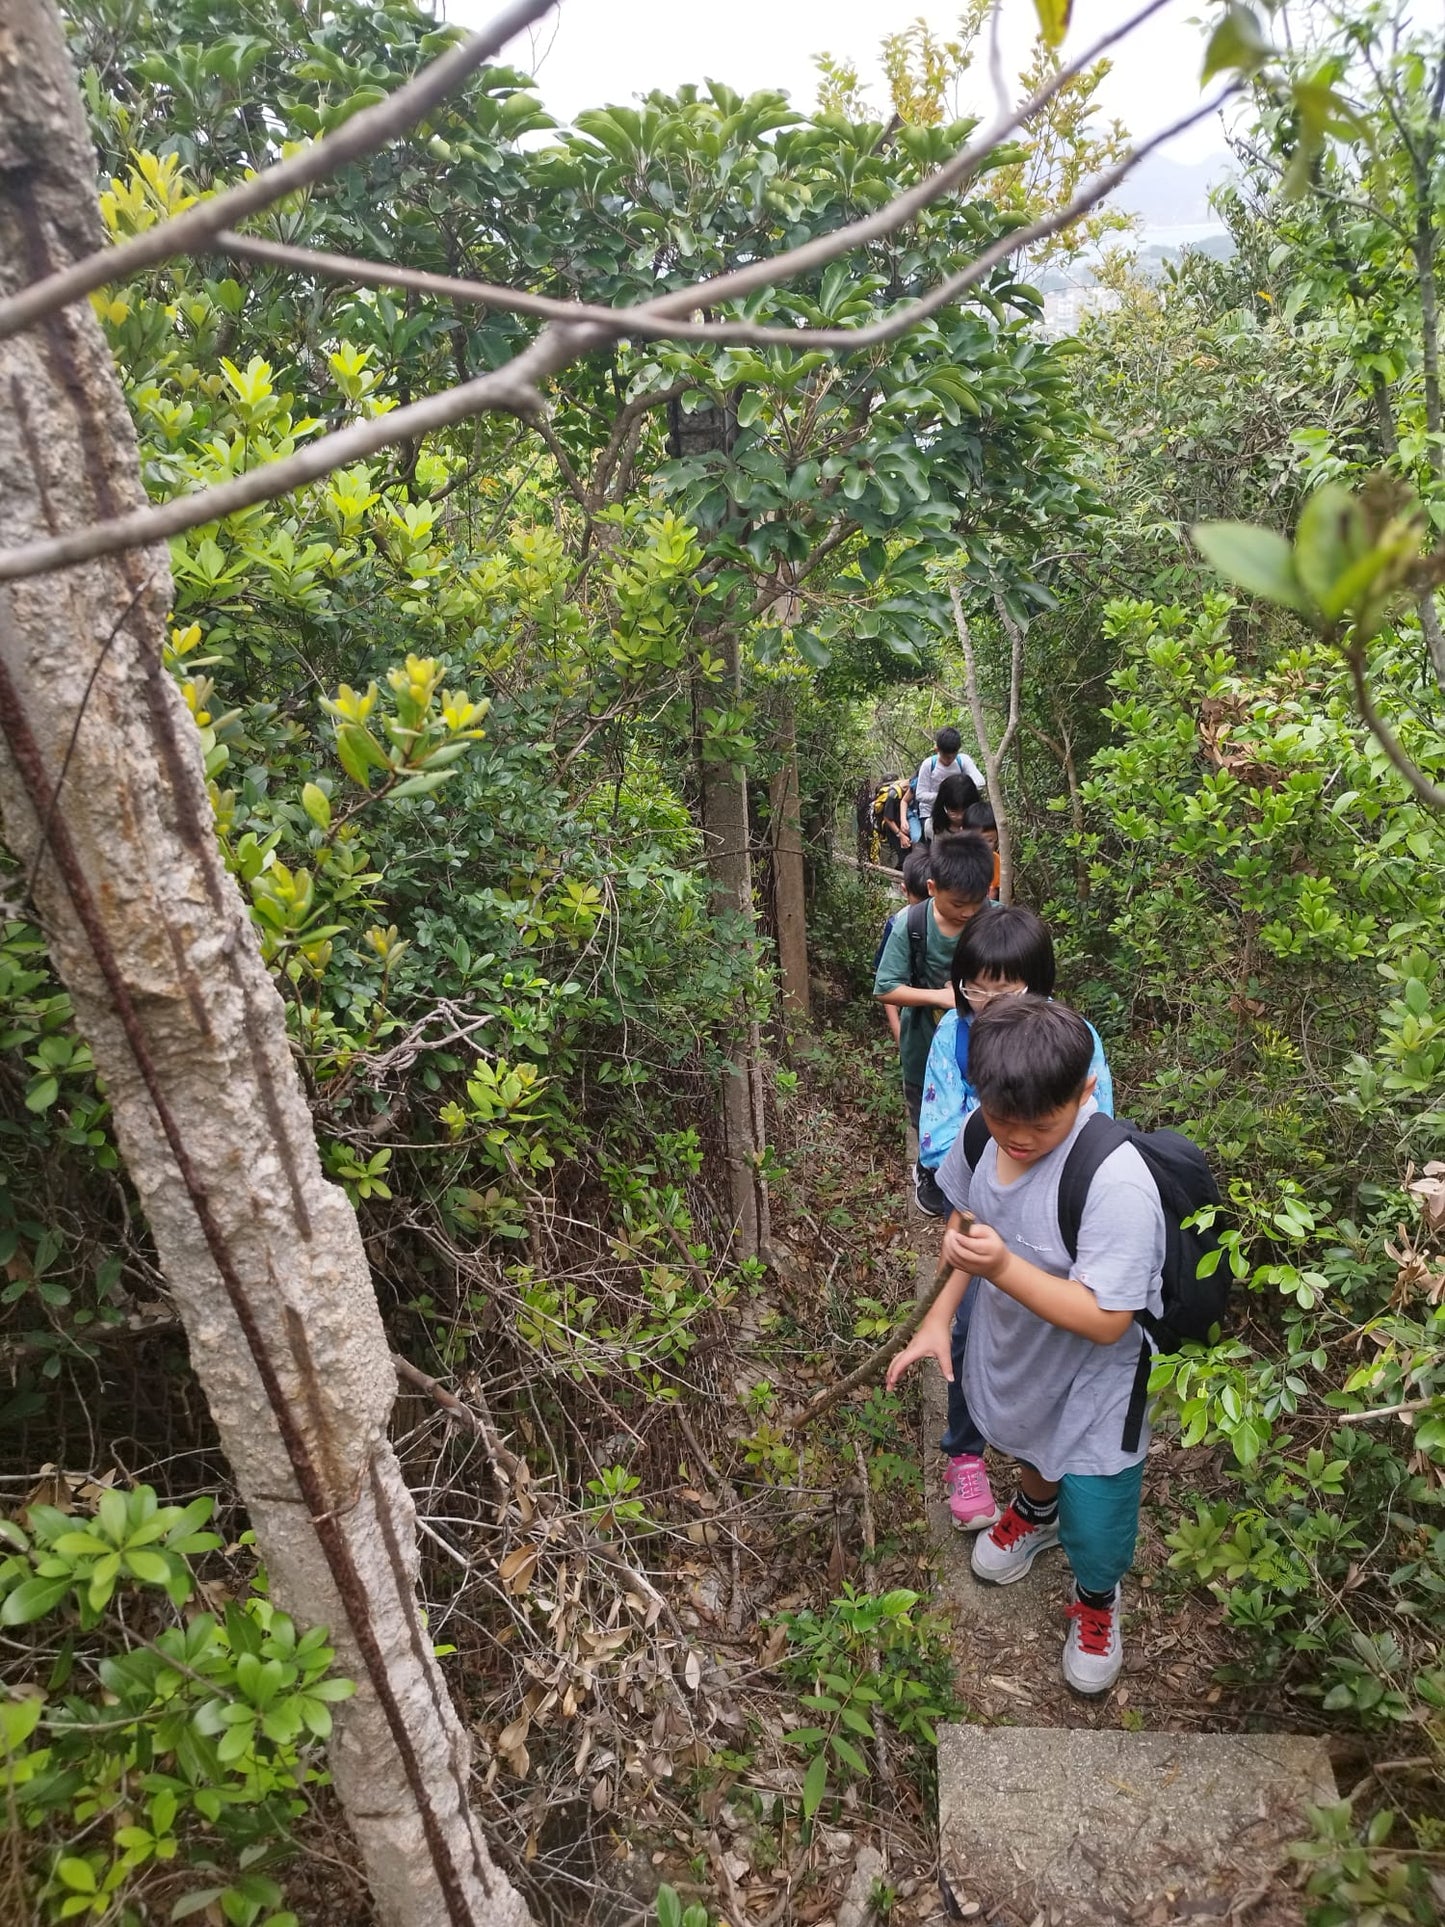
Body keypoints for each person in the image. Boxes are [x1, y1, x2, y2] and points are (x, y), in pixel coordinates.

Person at [887, 997, 1165, 1696]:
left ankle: (1096, 1598)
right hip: (1021, 1350)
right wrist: (940, 1313)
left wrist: (1003, 1268)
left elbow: (1107, 1319)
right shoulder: (988, 1129)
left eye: (1038, 1127)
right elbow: (967, 1218)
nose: (1015, 1139)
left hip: (1099, 1381)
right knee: (1029, 1437)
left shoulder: (1115, 1182)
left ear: (1085, 1091)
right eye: (1000, 1120)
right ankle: (1035, 1513)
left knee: (1097, 1512)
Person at [914, 907, 1115, 1536]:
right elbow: (939, 1127)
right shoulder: (953, 1034)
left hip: (1053, 1216)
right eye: (977, 988)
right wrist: (995, 1150)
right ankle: (966, 1454)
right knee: (972, 1325)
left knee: (1046, 1334)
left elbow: (1095, 1120)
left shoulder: (1073, 1037)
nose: (989, 1003)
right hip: (978, 1199)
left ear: (1040, 984)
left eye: (1008, 989)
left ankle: (1038, 1470)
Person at [872, 832, 995, 1139]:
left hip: (988, 1056)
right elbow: (886, 987)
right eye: (957, 903)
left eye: (976, 902)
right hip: (924, 1056)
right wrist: (941, 997)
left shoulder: (995, 920)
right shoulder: (912, 925)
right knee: (932, 1135)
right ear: (932, 888)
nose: (967, 912)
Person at [874, 850, 932, 1046]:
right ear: (904, 890)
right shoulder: (900, 924)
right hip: (915, 1019)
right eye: (920, 903)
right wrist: (897, 1029)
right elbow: (886, 979)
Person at [915, 728, 985, 841]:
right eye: (946, 756)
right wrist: (945, 796)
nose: (950, 760)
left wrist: (960, 790)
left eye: (953, 755)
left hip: (960, 809)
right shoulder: (929, 765)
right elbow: (920, 794)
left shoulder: (963, 760)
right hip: (933, 813)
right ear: (937, 749)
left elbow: (980, 782)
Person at [963, 799, 1001, 898]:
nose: (982, 846)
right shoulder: (954, 861)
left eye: (989, 840)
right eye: (976, 840)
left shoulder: (997, 862)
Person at [929, 770, 981, 840]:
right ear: (943, 806)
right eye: (953, 811)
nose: (960, 817)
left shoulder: (984, 826)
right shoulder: (932, 827)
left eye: (965, 811)